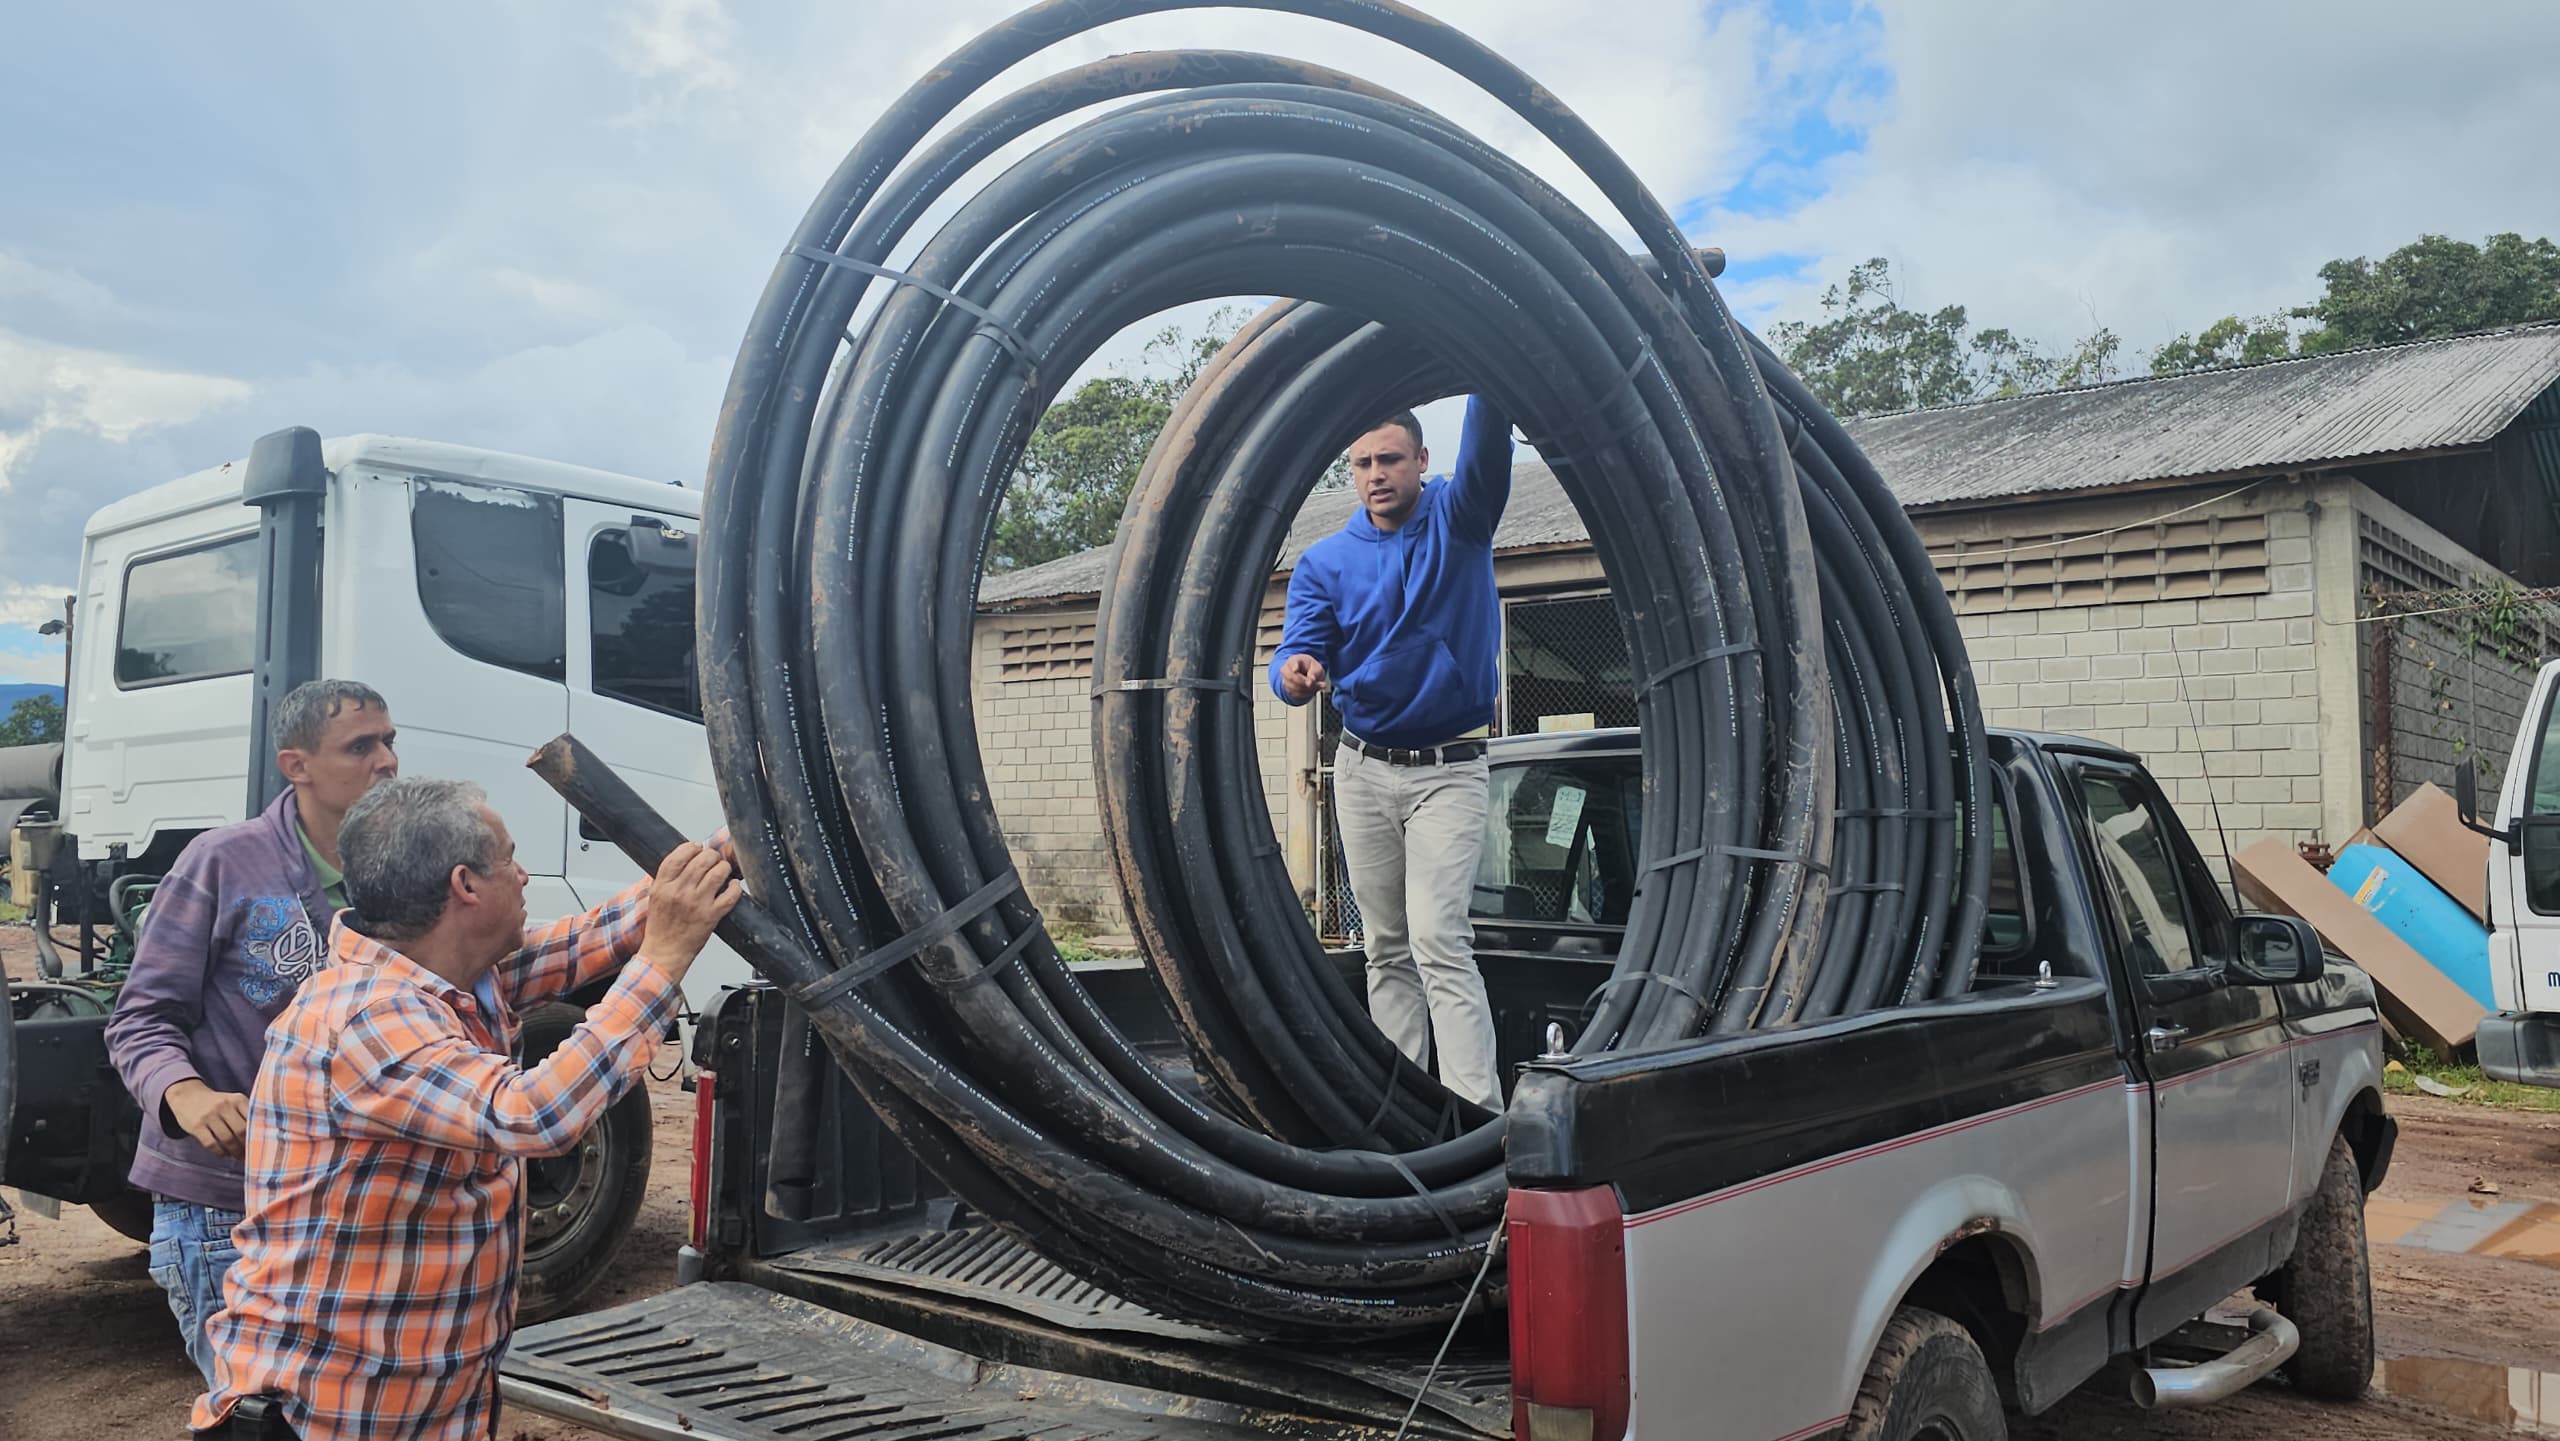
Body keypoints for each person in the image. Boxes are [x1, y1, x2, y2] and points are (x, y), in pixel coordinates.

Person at [189, 777, 738, 1441]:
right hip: (326, 1424)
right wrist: (667, 958)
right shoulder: (366, 1016)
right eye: (510, 857)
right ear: (466, 886)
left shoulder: (450, 976)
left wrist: (724, 855)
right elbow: (534, 1113)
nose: (525, 872)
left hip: (411, 1416)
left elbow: (586, 940)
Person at [106, 678, 399, 1381]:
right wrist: (188, 1095)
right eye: (361, 745)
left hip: (350, 1202)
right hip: (225, 1211)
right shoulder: (223, 861)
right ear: (295, 765)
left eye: (390, 741)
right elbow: (140, 1018)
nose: (386, 761)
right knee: (263, 1419)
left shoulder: (390, 871)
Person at [1270, 397, 1513, 1108]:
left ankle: (1477, 1120)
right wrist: (1291, 672)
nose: (1377, 474)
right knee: (1386, 947)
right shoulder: (1325, 561)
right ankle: (1405, 1117)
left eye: (1391, 458)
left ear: (1422, 461)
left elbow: (1487, 453)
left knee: (1440, 939)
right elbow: (1295, 648)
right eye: (1363, 462)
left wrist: (1487, 374)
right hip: (1363, 767)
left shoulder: (1461, 519)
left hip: (1449, 771)